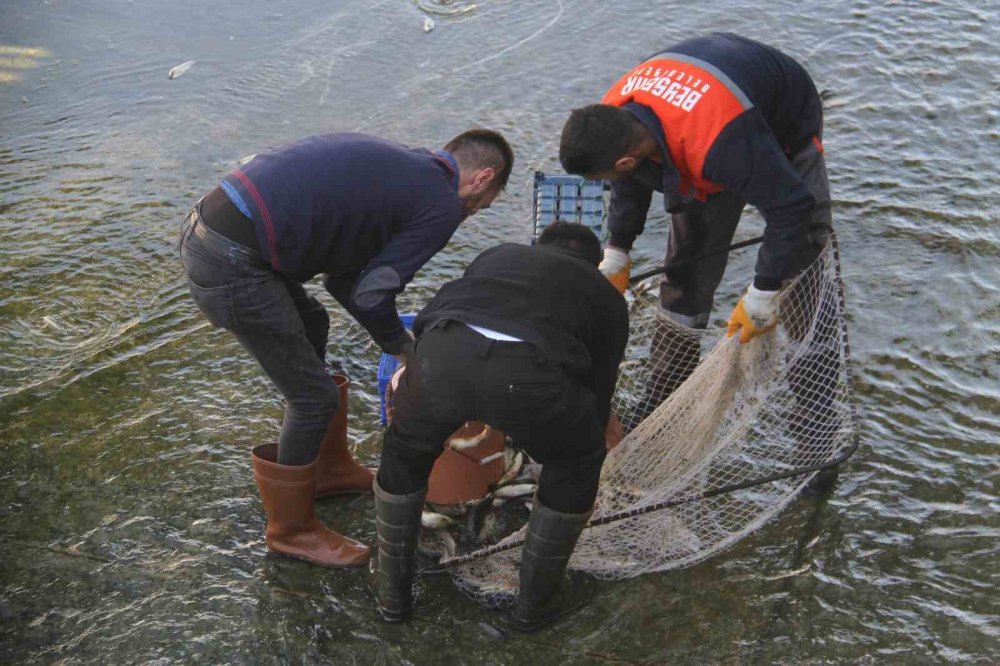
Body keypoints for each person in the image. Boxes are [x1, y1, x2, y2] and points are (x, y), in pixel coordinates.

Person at [178, 129, 514, 567]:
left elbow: (345, 281)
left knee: (312, 323)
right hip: (232, 261)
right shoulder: (440, 203)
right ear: (483, 178)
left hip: (209, 230)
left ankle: (329, 471)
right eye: (478, 206)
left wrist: (395, 338)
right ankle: (290, 532)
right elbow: (372, 296)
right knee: (312, 398)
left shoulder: (409, 174)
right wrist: (406, 350)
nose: (469, 214)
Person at [559, 32, 839, 493]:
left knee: (800, 276)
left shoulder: (718, 141)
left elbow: (791, 208)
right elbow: (627, 184)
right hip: (705, 119)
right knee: (684, 272)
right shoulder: (614, 115)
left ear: (626, 158)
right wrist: (617, 251)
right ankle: (665, 405)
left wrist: (763, 293)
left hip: (780, 119)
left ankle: (815, 430)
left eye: (603, 176)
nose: (609, 180)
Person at [369, 222, 629, 631]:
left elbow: (439, 311)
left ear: (537, 246)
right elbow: (598, 389)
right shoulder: (608, 299)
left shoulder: (500, 254)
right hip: (532, 377)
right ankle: (532, 610)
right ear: (595, 264)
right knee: (577, 460)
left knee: (404, 451)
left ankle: (393, 599)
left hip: (441, 355)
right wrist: (576, 439)